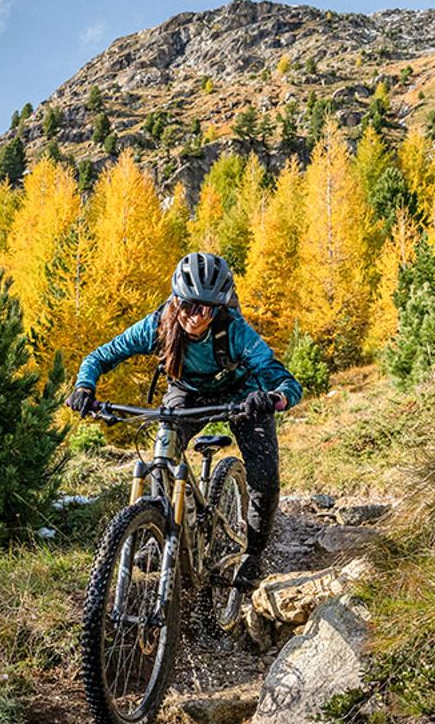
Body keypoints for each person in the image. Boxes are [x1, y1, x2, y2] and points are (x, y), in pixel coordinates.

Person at [66, 251, 301, 589]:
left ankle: (253, 553)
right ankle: (157, 534)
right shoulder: (158, 325)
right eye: (188, 304)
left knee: (264, 475)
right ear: (176, 300)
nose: (194, 315)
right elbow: (100, 356)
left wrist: (273, 398)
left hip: (242, 395)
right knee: (163, 455)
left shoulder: (234, 331)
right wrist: (85, 387)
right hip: (186, 393)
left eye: (205, 308)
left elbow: (286, 381)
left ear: (218, 307)